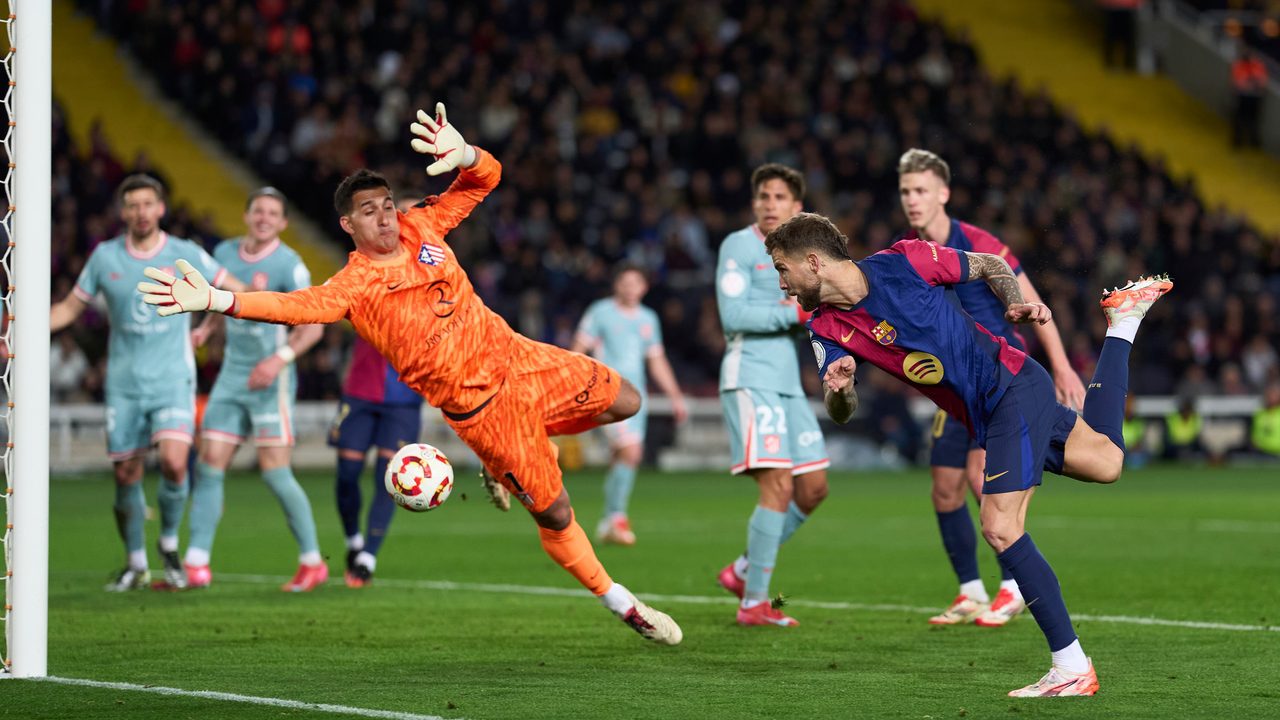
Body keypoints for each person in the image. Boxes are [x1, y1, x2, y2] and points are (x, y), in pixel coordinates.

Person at [136, 103, 682, 644]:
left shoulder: (423, 224)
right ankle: (623, 604)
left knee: (627, 400)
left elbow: (484, 181)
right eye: (370, 210)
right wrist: (216, 298)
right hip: (485, 411)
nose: (386, 216)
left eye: (388, 204)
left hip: (521, 358)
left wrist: (465, 153)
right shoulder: (353, 286)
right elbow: (295, 306)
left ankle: (515, 454)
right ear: (349, 225)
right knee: (557, 512)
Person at [767, 211, 1170, 697]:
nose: (783, 284)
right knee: (1107, 463)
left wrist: (1017, 304)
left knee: (1000, 526)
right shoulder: (824, 327)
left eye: (783, 269)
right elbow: (842, 412)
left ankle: (1072, 666)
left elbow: (989, 265)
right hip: (989, 410)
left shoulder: (905, 259)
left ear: (813, 262)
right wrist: (840, 388)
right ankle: (1124, 323)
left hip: (1010, 386)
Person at [897, 149, 1086, 628]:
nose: (912, 200)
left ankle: (1011, 588)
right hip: (956, 383)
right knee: (944, 487)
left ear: (943, 194)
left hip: (998, 377)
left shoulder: (977, 243)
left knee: (982, 476)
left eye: (921, 190)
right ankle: (970, 591)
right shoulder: (909, 254)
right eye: (905, 192)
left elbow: (1031, 301)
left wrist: (1061, 367)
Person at [49, 173, 240, 591]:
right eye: (132, 205)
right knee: (125, 474)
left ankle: (168, 544)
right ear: (123, 212)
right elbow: (68, 309)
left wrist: (212, 325)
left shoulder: (184, 253)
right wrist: (21, 334)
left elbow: (231, 289)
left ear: (161, 209)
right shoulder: (105, 257)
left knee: (173, 462)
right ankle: (135, 562)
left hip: (173, 378)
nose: (140, 212)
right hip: (124, 383)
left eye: (147, 204)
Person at [183, 187, 327, 592]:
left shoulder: (290, 265)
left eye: (272, 213)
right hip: (232, 375)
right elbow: (218, 301)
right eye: (258, 210)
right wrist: (206, 329)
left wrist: (278, 360)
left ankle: (312, 561)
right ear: (247, 216)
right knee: (209, 462)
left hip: (271, 379)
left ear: (282, 223)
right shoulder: (225, 254)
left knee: (275, 472)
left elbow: (313, 326)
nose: (264, 217)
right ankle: (196, 563)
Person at [713, 164, 830, 627]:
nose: (769, 204)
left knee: (814, 488)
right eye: (763, 196)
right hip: (750, 376)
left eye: (779, 197)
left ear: (796, 207)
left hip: (787, 383)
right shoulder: (738, 246)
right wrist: (794, 312)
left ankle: (744, 569)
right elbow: (734, 313)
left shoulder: (803, 254)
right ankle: (754, 604)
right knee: (777, 486)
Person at [571, 264, 688, 545]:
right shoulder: (601, 312)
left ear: (644, 287)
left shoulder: (648, 318)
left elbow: (656, 360)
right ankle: (618, 517)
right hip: (606, 392)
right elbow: (579, 347)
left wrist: (674, 395)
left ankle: (608, 522)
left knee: (620, 457)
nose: (630, 287)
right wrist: (572, 383)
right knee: (632, 453)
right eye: (625, 282)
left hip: (637, 397)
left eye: (636, 282)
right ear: (617, 286)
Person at [330, 334, 424, 587]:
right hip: (360, 390)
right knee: (347, 473)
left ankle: (367, 558)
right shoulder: (368, 294)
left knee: (389, 479)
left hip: (404, 399)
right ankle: (353, 541)